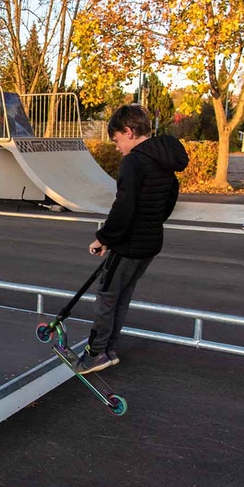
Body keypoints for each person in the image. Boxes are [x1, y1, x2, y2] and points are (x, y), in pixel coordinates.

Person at [82, 104, 189, 374]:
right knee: (122, 294)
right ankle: (109, 348)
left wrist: (103, 238)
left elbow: (124, 206)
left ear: (128, 132)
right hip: (151, 241)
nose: (118, 147)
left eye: (117, 140)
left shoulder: (134, 161)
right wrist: (150, 223)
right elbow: (170, 198)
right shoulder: (162, 159)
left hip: (130, 242)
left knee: (107, 294)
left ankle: (97, 353)